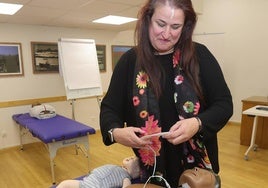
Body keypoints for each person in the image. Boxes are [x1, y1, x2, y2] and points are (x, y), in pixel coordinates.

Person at [100, 0, 233, 187]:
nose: (166, 34)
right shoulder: (130, 61)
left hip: (197, 174)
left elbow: (224, 105)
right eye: (160, 24)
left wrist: (197, 123)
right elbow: (109, 109)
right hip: (153, 171)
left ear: (185, 27)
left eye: (175, 26)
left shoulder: (200, 56)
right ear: (147, 20)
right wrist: (115, 132)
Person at [56, 156, 140, 188]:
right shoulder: (118, 167)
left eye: (133, 159)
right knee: (65, 183)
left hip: (97, 186)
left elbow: (127, 187)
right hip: (87, 181)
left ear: (136, 171)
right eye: (131, 156)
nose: (129, 157)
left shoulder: (126, 177)